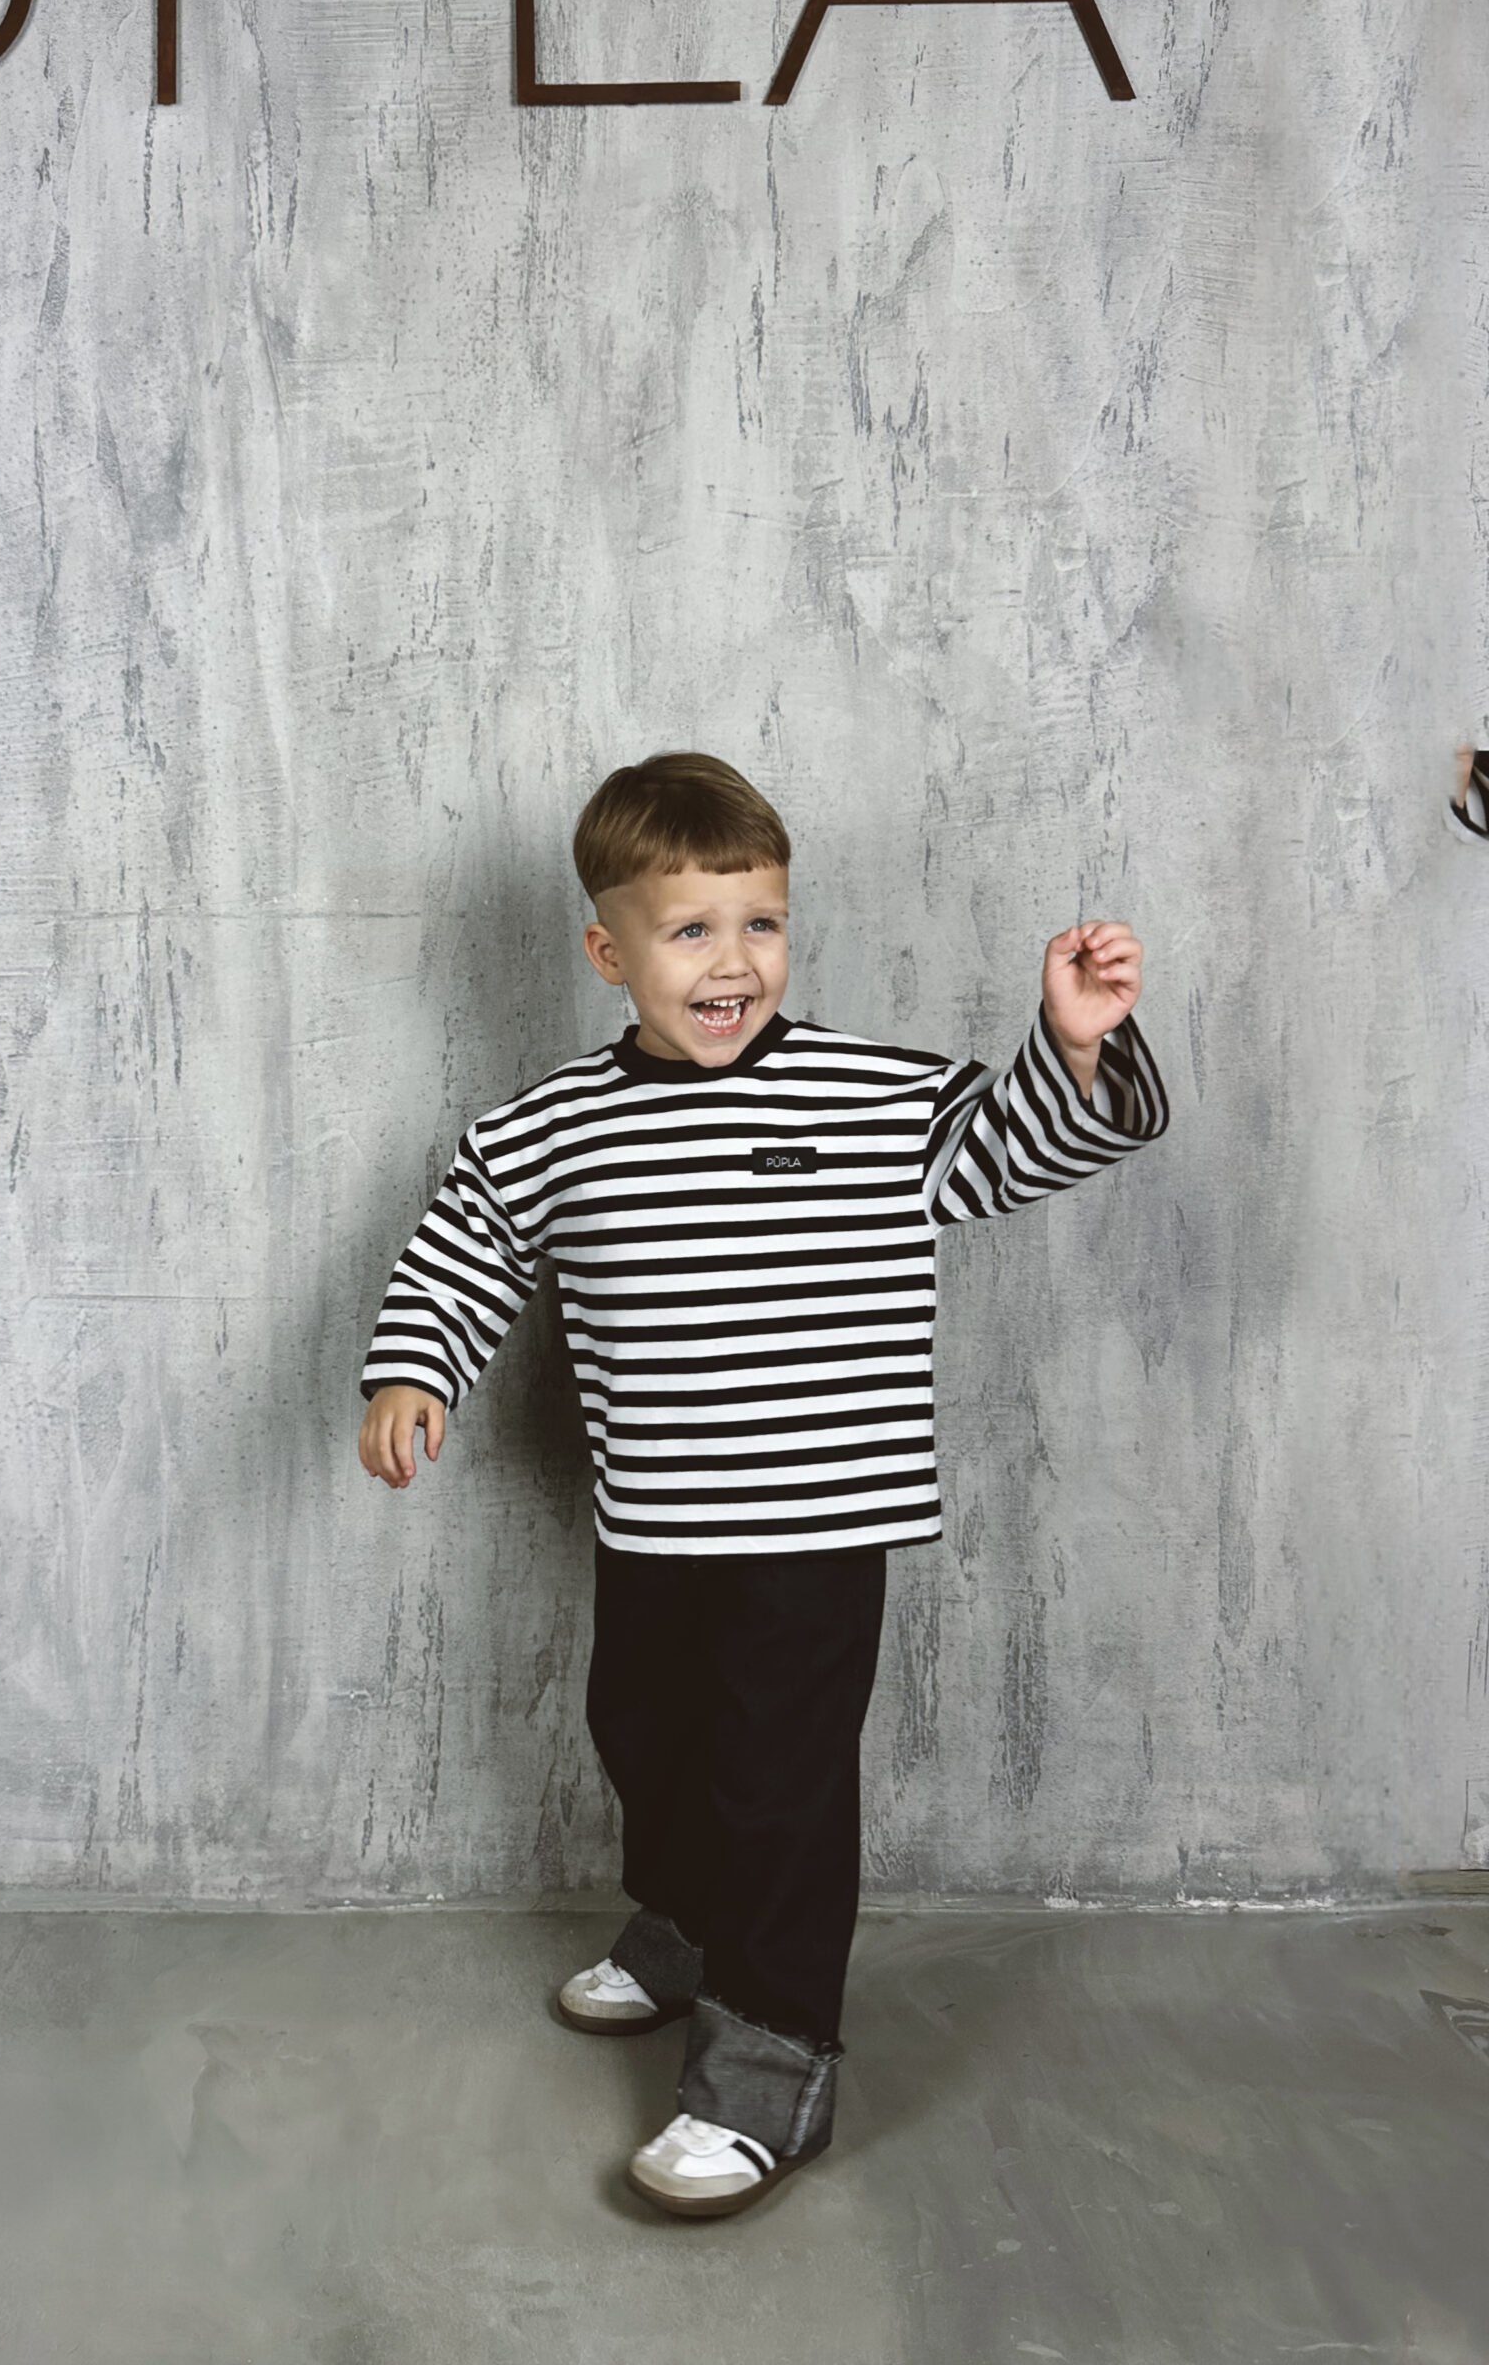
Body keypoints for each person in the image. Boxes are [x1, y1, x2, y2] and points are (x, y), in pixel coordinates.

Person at [356, 751, 1170, 2219]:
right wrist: (416, 1371)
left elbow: (1013, 1153)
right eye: (691, 931)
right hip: (657, 1522)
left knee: (777, 1788)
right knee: (649, 1740)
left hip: (815, 1530)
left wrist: (1072, 1046)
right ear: (610, 953)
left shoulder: (870, 1096)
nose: (733, 962)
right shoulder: (549, 1128)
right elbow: (467, 1246)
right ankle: (686, 1928)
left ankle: (768, 2066)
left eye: (762, 924)